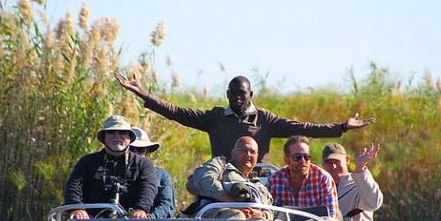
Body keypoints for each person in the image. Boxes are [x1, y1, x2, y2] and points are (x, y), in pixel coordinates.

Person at [114, 72, 375, 163]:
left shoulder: (265, 120)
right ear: (227, 94)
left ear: (251, 94)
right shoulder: (214, 118)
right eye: (233, 93)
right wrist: (143, 94)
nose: (237, 97)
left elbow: (305, 127)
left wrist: (342, 127)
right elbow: (176, 112)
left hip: (255, 177)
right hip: (220, 178)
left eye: (242, 93)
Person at [64, 115, 158, 219]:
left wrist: (141, 209)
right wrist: (77, 207)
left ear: (129, 138)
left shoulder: (144, 164)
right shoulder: (87, 162)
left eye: (122, 132)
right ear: (103, 137)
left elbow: (148, 188)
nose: (117, 136)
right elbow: (74, 185)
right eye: (111, 132)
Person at [183, 136, 273, 220]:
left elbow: (270, 212)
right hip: (214, 211)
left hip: (251, 219)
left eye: (252, 152)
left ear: (257, 157)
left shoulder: (260, 187)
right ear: (233, 152)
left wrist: (256, 213)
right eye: (244, 150)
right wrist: (232, 203)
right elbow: (204, 179)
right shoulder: (220, 164)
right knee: (238, 216)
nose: (248, 155)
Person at [322, 142, 383, 221]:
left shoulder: (360, 184)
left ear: (347, 160)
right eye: (328, 162)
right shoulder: (320, 188)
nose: (333, 166)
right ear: (323, 165)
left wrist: (360, 169)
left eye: (336, 161)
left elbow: (375, 203)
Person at [265, 135, 340, 219]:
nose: (303, 161)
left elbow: (331, 217)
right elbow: (267, 214)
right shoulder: (275, 180)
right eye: (297, 157)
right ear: (286, 160)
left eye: (307, 157)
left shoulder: (323, 179)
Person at [129, 126, 176, 218]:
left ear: (146, 151)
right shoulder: (114, 171)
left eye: (140, 150)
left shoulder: (161, 176)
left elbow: (167, 205)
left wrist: (149, 218)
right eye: (131, 149)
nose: (135, 154)